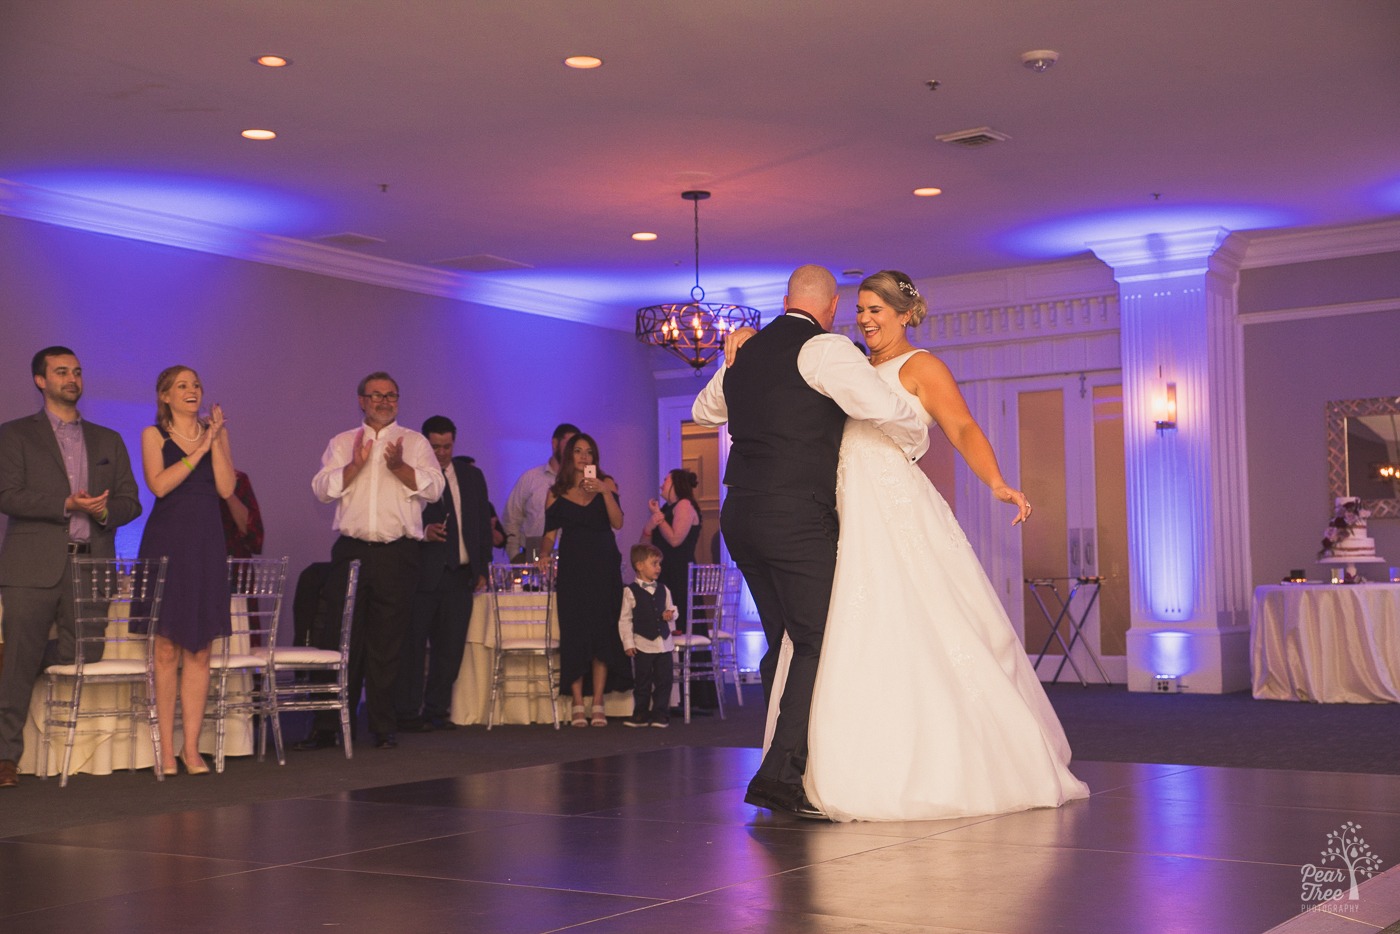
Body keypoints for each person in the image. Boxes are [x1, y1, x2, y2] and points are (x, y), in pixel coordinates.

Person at [763, 270, 1089, 822]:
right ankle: (818, 763)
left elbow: (961, 427)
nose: (865, 320)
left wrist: (997, 482)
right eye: (860, 310)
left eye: (876, 311)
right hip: (837, 507)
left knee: (918, 618)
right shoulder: (844, 364)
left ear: (905, 313)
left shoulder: (922, 366)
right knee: (832, 626)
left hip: (893, 504)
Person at [691, 265, 930, 819]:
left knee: (788, 643)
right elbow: (882, 407)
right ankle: (780, 774)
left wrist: (735, 359)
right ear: (831, 307)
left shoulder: (749, 351)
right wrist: (914, 440)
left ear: (783, 301)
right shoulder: (824, 349)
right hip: (793, 514)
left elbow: (704, 411)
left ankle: (795, 760)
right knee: (822, 637)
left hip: (740, 516)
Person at [0, 346, 142, 789]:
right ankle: (6, 758)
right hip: (31, 565)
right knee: (19, 663)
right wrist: (66, 504)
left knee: (86, 653)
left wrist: (101, 513)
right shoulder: (15, 435)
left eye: (77, 371)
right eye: (61, 372)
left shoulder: (108, 439)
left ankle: (14, 664)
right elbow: (7, 495)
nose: (72, 378)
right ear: (40, 380)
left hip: (90, 566)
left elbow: (131, 502)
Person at [304, 372, 444, 751]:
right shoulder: (341, 442)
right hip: (351, 552)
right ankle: (328, 726)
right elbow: (321, 490)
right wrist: (355, 465)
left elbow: (435, 488)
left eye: (391, 395)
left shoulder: (413, 442)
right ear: (361, 401)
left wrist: (399, 466)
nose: (384, 401)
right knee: (340, 639)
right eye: (376, 395)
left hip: (397, 554)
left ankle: (383, 726)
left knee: (387, 643)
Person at [136, 365, 236, 776]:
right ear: (165, 396)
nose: (192, 390)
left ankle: (192, 748)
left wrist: (214, 440)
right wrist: (199, 449)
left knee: (200, 648)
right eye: (182, 386)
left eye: (196, 384)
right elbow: (159, 485)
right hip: (167, 545)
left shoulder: (216, 432)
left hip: (207, 544)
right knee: (165, 648)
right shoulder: (152, 435)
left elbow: (227, 489)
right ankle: (164, 749)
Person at [395, 415, 493, 732]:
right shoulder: (409, 474)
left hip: (460, 573)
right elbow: (397, 518)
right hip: (423, 573)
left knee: (449, 647)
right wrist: (423, 531)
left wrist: (482, 567)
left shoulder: (472, 476)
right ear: (424, 444)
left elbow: (480, 524)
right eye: (435, 447)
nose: (441, 453)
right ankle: (407, 711)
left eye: (447, 446)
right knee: (413, 645)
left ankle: (436, 709)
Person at [538, 433, 630, 727]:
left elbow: (618, 522)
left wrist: (604, 491)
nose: (583, 457)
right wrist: (543, 555)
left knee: (603, 630)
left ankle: (599, 701)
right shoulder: (556, 491)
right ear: (569, 456)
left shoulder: (608, 484)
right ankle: (578, 702)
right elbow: (549, 534)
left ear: (595, 457)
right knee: (575, 632)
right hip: (573, 568)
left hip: (604, 566)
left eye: (589, 452)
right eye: (577, 451)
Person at [642, 468, 710, 709]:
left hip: (678, 574)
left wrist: (658, 517)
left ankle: (690, 695)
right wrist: (653, 522)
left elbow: (674, 540)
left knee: (677, 624)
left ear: (676, 483)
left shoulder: (683, 505)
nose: (662, 483)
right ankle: (670, 695)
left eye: (666, 480)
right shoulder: (667, 510)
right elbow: (646, 544)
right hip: (665, 573)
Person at [618, 543, 677, 729]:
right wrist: (628, 643)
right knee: (643, 681)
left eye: (659, 564)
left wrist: (671, 615)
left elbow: (672, 610)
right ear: (639, 565)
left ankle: (660, 714)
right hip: (643, 643)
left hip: (664, 645)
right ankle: (641, 714)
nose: (658, 568)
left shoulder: (664, 589)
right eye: (654, 563)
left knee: (664, 680)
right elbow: (625, 619)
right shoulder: (630, 591)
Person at [502, 423, 579, 561]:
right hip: (533, 556)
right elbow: (511, 518)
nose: (572, 451)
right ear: (555, 443)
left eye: (576, 448)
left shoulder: (582, 482)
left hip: (574, 557)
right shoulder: (531, 478)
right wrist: (514, 555)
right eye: (569, 444)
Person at [220, 469, 264, 558]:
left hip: (232, 563)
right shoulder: (186, 476)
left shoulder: (238, 479)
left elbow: (254, 537)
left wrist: (228, 492)